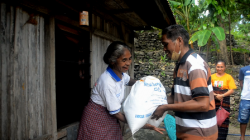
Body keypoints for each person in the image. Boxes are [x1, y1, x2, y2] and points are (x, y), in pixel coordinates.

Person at [77, 41, 165, 140]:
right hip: (96, 118)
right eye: (124, 60)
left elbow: (130, 81)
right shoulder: (107, 82)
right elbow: (117, 113)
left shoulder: (121, 74)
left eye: (130, 58)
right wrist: (143, 124)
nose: (128, 63)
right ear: (112, 61)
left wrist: (147, 83)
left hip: (109, 117)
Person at [152, 25, 218, 140]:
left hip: (200, 134)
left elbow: (202, 104)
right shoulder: (180, 65)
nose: (164, 48)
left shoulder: (194, 65)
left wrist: (165, 107)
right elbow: (175, 97)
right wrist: (153, 104)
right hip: (186, 132)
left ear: (179, 41)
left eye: (165, 44)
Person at [211, 60, 237, 140]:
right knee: (212, 120)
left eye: (222, 67)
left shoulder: (228, 77)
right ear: (216, 67)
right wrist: (215, 95)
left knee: (223, 120)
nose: (220, 68)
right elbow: (208, 88)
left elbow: (231, 90)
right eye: (218, 67)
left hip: (224, 102)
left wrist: (222, 95)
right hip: (213, 101)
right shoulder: (212, 77)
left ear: (225, 67)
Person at [238, 55, 250, 140]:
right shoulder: (243, 70)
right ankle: (242, 137)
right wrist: (244, 92)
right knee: (243, 119)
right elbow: (241, 83)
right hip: (246, 99)